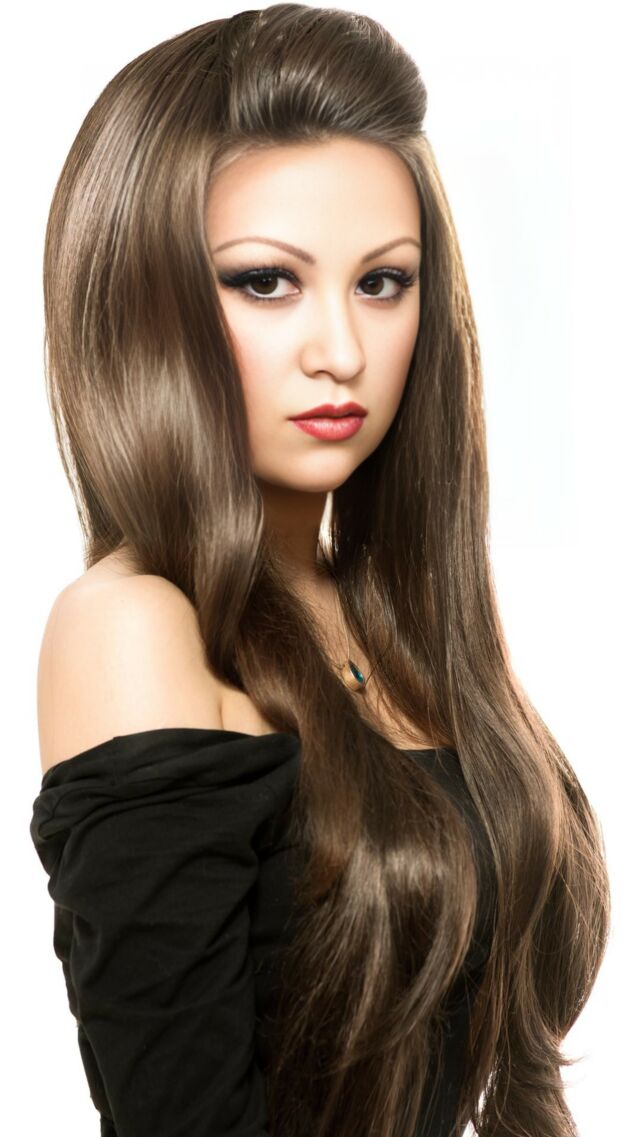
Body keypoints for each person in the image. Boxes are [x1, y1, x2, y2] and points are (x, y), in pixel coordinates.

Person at [29, 6, 611, 1137]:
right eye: (265, 281)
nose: (340, 351)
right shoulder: (134, 626)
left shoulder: (397, 622)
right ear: (141, 305)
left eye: (383, 282)